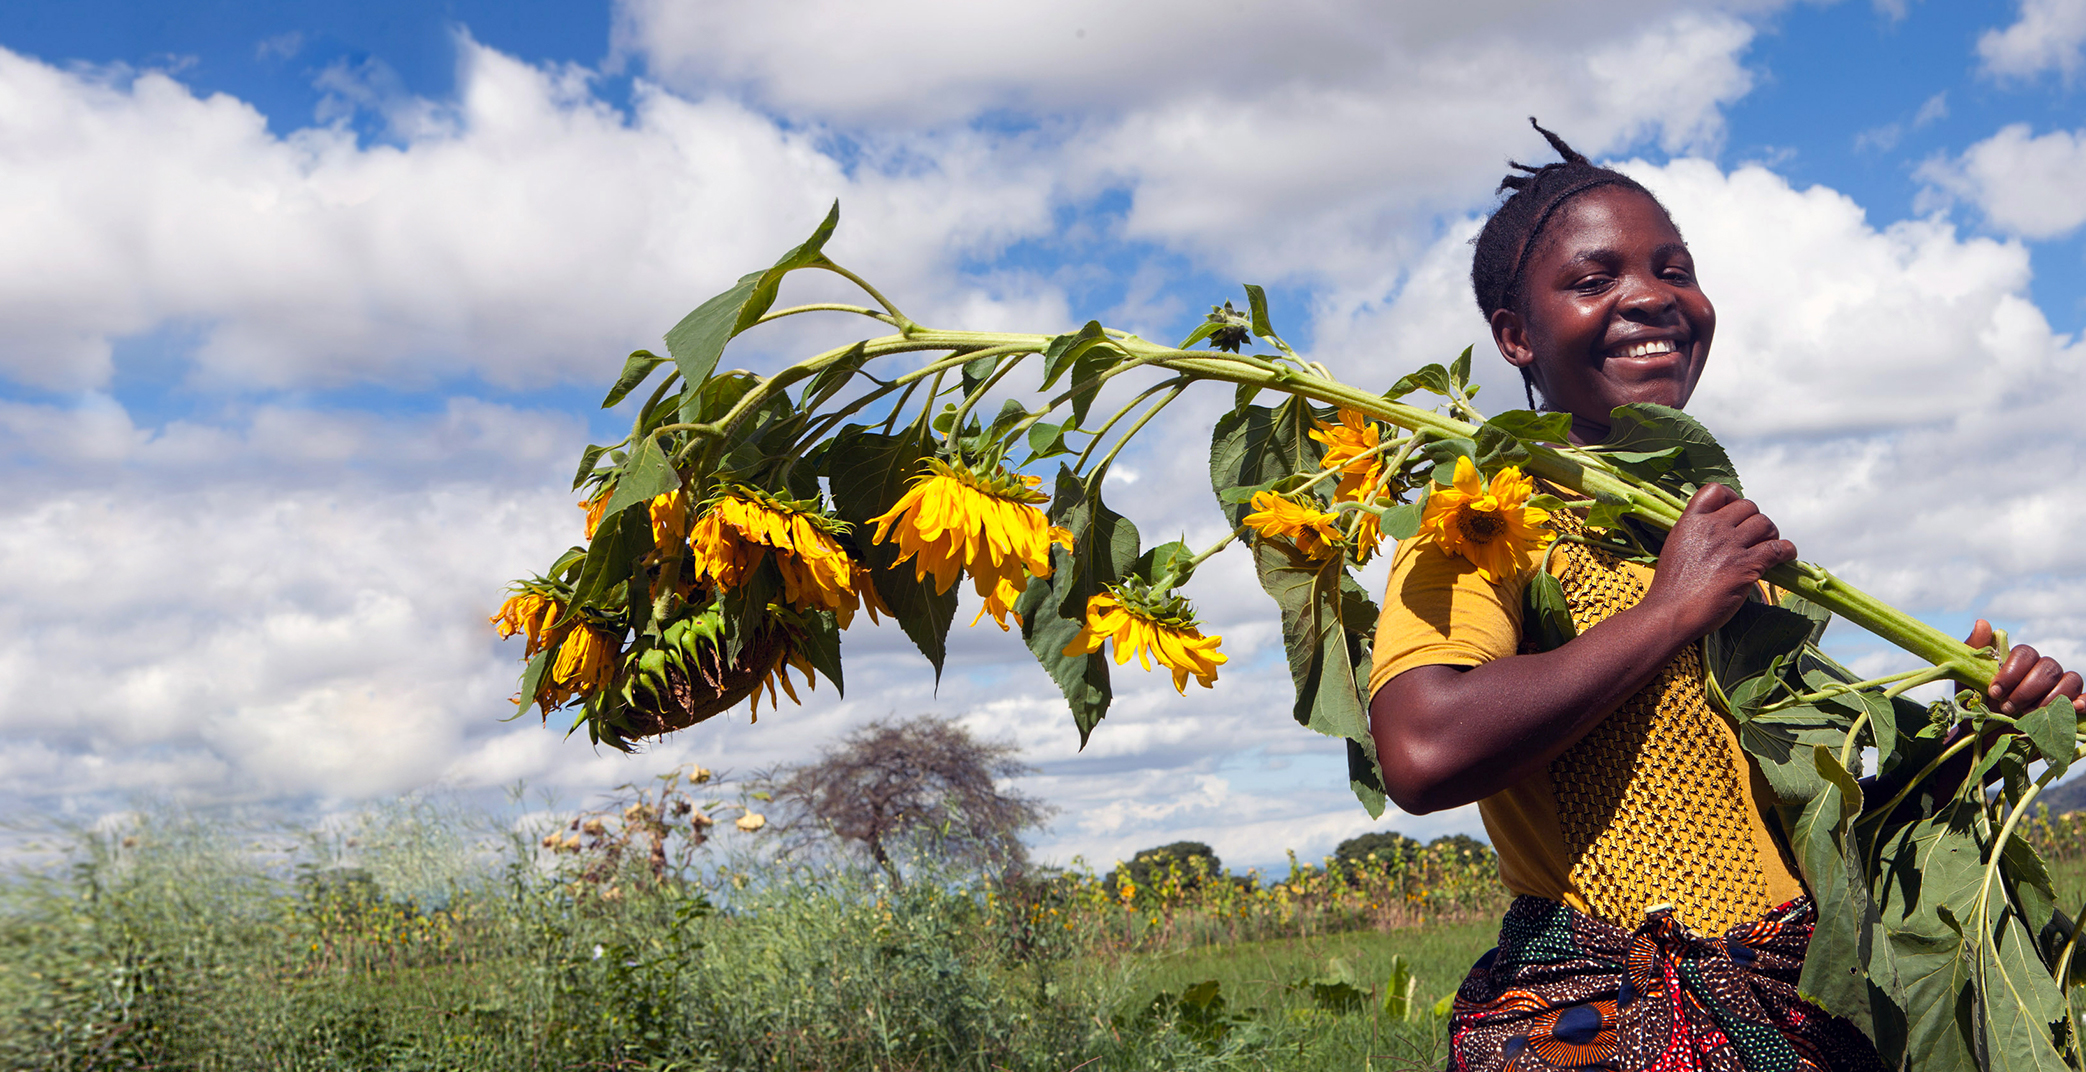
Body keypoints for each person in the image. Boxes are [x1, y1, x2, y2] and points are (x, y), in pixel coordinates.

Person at [1365, 120, 2085, 1072]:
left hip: (1791, 1010)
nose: (1650, 298)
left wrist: (1967, 743)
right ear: (1514, 337)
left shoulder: (1713, 535)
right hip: (1606, 1013)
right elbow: (1422, 750)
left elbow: (1797, 824)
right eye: (1594, 280)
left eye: (1674, 268)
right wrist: (1669, 610)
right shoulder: (1487, 515)